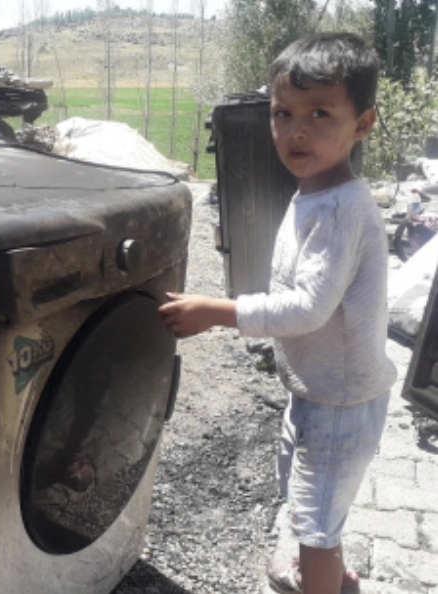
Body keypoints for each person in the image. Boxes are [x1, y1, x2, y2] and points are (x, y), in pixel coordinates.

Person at [159, 32, 397, 594]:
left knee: (315, 524)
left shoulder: (341, 208)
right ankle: (327, 574)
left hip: (338, 402)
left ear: (362, 125)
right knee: (313, 504)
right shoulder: (316, 190)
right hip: (319, 390)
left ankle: (321, 575)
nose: (297, 130)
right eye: (283, 113)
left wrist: (217, 311)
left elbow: (309, 307)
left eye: (320, 113)